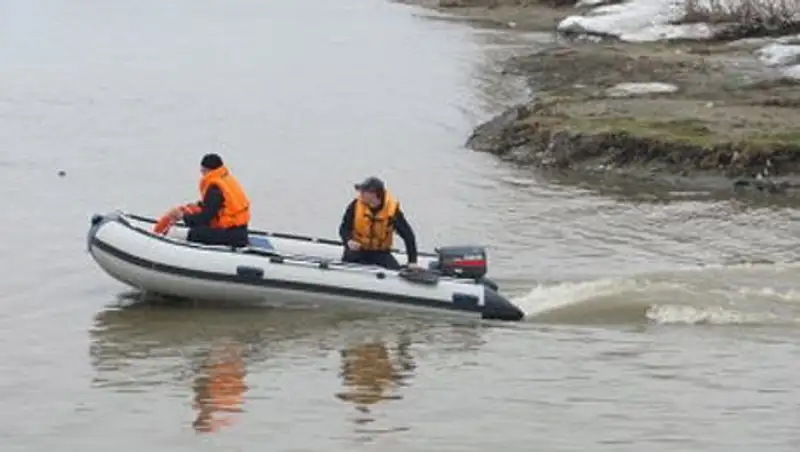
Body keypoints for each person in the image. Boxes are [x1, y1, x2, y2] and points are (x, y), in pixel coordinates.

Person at [164, 153, 251, 248]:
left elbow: (205, 217)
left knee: (196, 232)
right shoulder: (227, 180)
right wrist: (193, 208)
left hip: (230, 236)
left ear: (206, 170)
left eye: (202, 171)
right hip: (241, 232)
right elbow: (217, 207)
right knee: (200, 226)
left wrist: (183, 217)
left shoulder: (215, 188)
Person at [338, 176, 419, 270]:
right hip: (358, 250)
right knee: (349, 260)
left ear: (375, 194)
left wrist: (412, 261)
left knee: (394, 270)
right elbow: (343, 228)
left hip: (380, 253)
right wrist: (348, 240)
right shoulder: (355, 206)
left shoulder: (391, 211)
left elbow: (408, 235)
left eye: (364, 192)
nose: (360, 194)